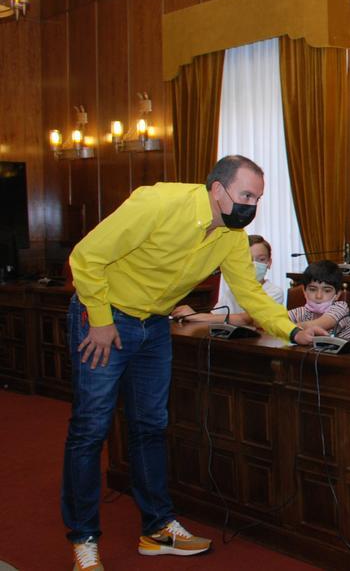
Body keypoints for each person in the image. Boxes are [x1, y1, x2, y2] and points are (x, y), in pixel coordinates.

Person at [64, 155, 323, 570]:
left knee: (150, 426)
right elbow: (86, 257)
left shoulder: (231, 238)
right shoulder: (158, 203)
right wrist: (99, 320)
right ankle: (84, 540)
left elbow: (252, 296)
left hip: (154, 327)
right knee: (90, 429)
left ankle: (157, 528)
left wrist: (292, 331)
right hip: (105, 318)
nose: (251, 205)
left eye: (257, 198)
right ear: (218, 190)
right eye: (245, 195)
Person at [175, 234, 286, 326]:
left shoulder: (275, 292)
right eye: (248, 260)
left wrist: (194, 316)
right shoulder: (233, 290)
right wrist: (188, 316)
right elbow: (213, 316)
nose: (254, 264)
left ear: (269, 263)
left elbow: (246, 319)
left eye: (261, 259)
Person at [288, 260, 350, 340]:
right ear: (304, 291)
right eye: (312, 289)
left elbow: (317, 325)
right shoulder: (302, 312)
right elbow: (273, 324)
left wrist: (286, 327)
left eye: (327, 291)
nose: (319, 296)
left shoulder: (341, 308)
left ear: (337, 294)